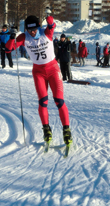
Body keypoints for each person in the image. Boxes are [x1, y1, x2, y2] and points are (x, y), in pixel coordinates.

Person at [5, 15, 72, 146]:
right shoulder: (24, 37)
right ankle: (46, 130)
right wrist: (12, 37)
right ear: (26, 29)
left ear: (38, 27)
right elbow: (9, 48)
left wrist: (50, 20)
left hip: (53, 69)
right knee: (42, 101)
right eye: (30, 30)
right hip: (38, 72)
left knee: (59, 100)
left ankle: (66, 130)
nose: (33, 32)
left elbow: (52, 26)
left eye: (35, 29)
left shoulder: (45, 32)